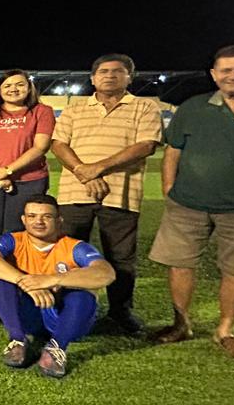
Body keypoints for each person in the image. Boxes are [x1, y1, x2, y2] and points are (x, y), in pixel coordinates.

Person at [148, 44, 234, 360]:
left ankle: (225, 331)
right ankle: (181, 323)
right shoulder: (193, 107)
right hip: (187, 203)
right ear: (214, 74)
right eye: (226, 70)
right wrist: (169, 188)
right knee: (180, 264)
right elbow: (173, 150)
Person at [50, 53, 162, 336]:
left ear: (129, 77)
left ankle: (119, 312)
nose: (109, 76)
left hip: (121, 193)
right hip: (75, 191)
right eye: (103, 71)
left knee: (121, 256)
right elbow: (59, 144)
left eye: (117, 71)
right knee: (68, 254)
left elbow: (146, 145)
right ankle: (63, 307)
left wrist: (96, 169)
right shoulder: (75, 108)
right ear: (93, 78)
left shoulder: (144, 107)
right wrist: (82, 171)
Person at [0, 195, 116, 379]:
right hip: (30, 315)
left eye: (47, 217)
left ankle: (57, 347)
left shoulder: (74, 247)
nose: (39, 222)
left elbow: (106, 273)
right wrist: (26, 281)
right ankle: (17, 339)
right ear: (24, 220)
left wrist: (52, 280)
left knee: (83, 291)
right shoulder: (14, 240)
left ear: (59, 220)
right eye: (32, 216)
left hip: (64, 319)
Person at [0, 70, 56, 294]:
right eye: (7, 85)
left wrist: (8, 171)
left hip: (28, 181)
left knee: (15, 232)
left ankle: (12, 281)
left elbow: (40, 147)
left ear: (29, 88)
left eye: (19, 84)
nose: (13, 89)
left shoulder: (42, 112)